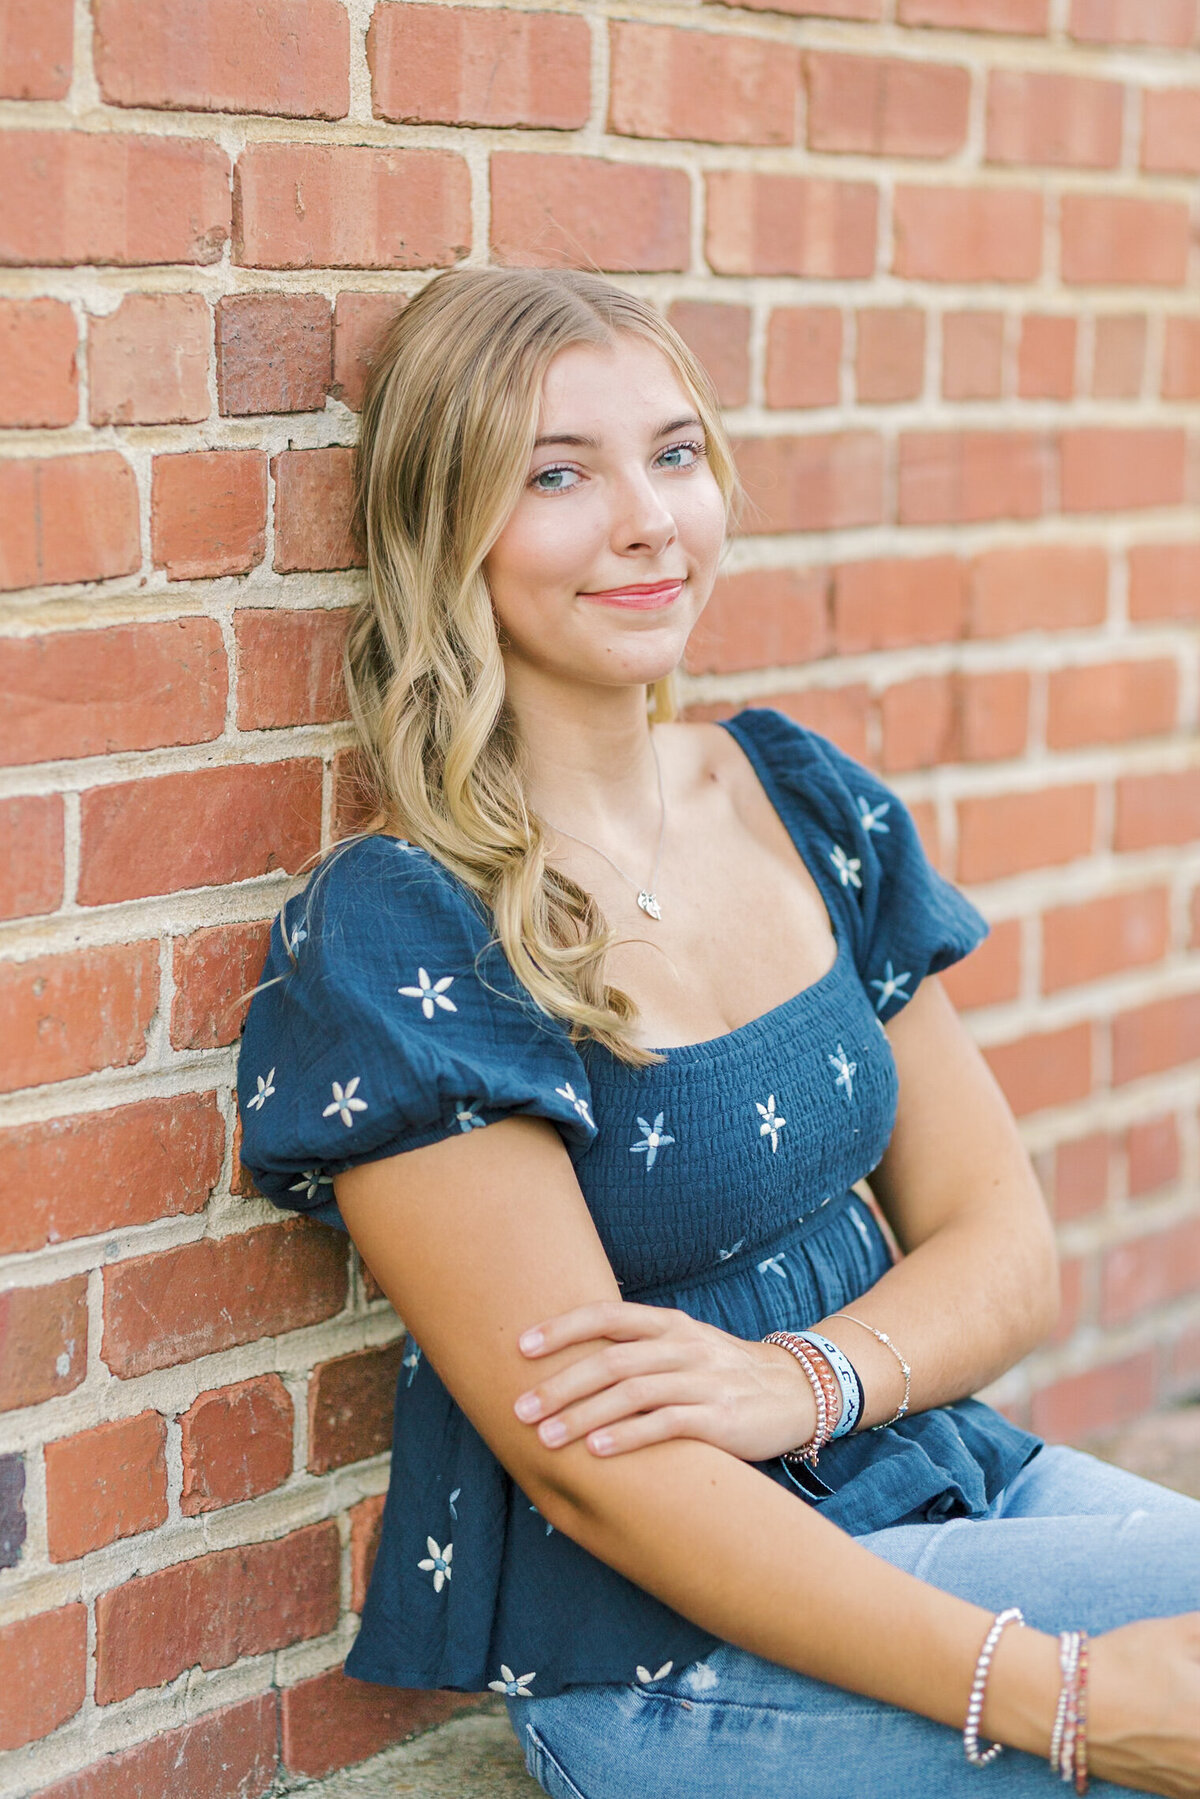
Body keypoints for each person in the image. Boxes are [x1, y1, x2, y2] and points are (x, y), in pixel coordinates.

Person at [237, 266, 1200, 1799]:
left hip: (946, 1492)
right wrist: (1068, 1696)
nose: (646, 518)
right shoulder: (408, 926)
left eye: (676, 454)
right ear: (447, 531)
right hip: (672, 1661)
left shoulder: (795, 797)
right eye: (558, 474)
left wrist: (805, 1378)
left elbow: (1006, 1246)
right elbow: (594, 1467)